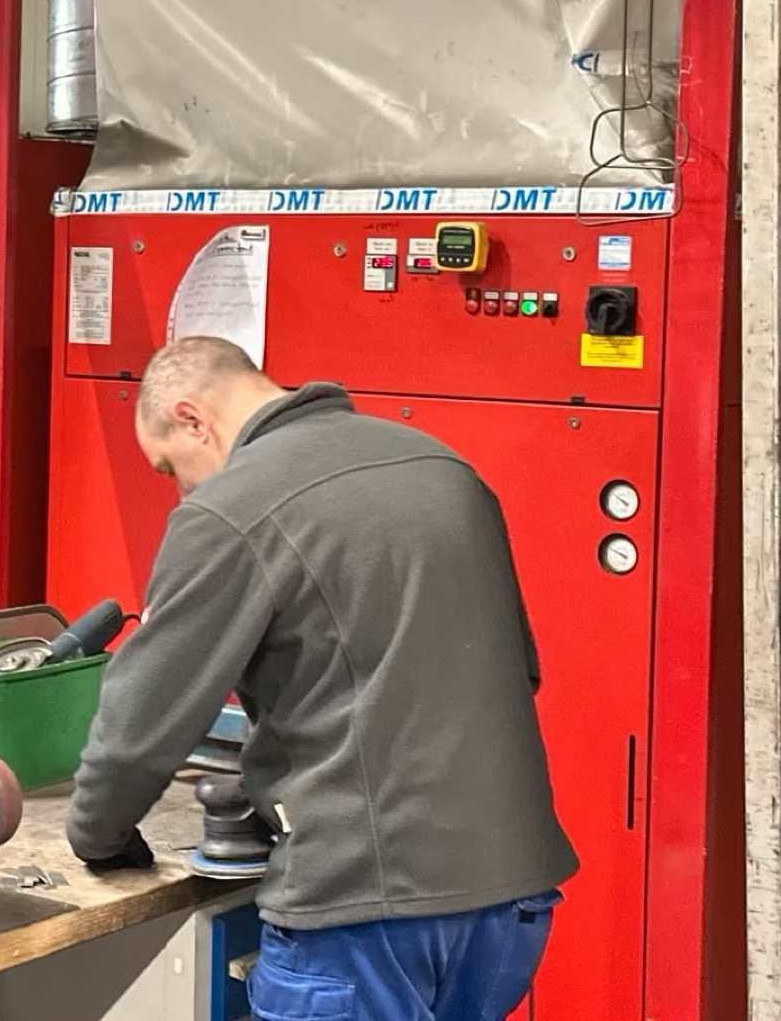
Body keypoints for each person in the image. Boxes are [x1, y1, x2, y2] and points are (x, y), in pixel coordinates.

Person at [66, 336, 577, 1021]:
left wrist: (99, 837)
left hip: (363, 912)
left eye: (169, 467)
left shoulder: (231, 508)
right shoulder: (440, 465)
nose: (181, 488)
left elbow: (140, 727)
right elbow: (519, 670)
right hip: (511, 902)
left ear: (192, 419)